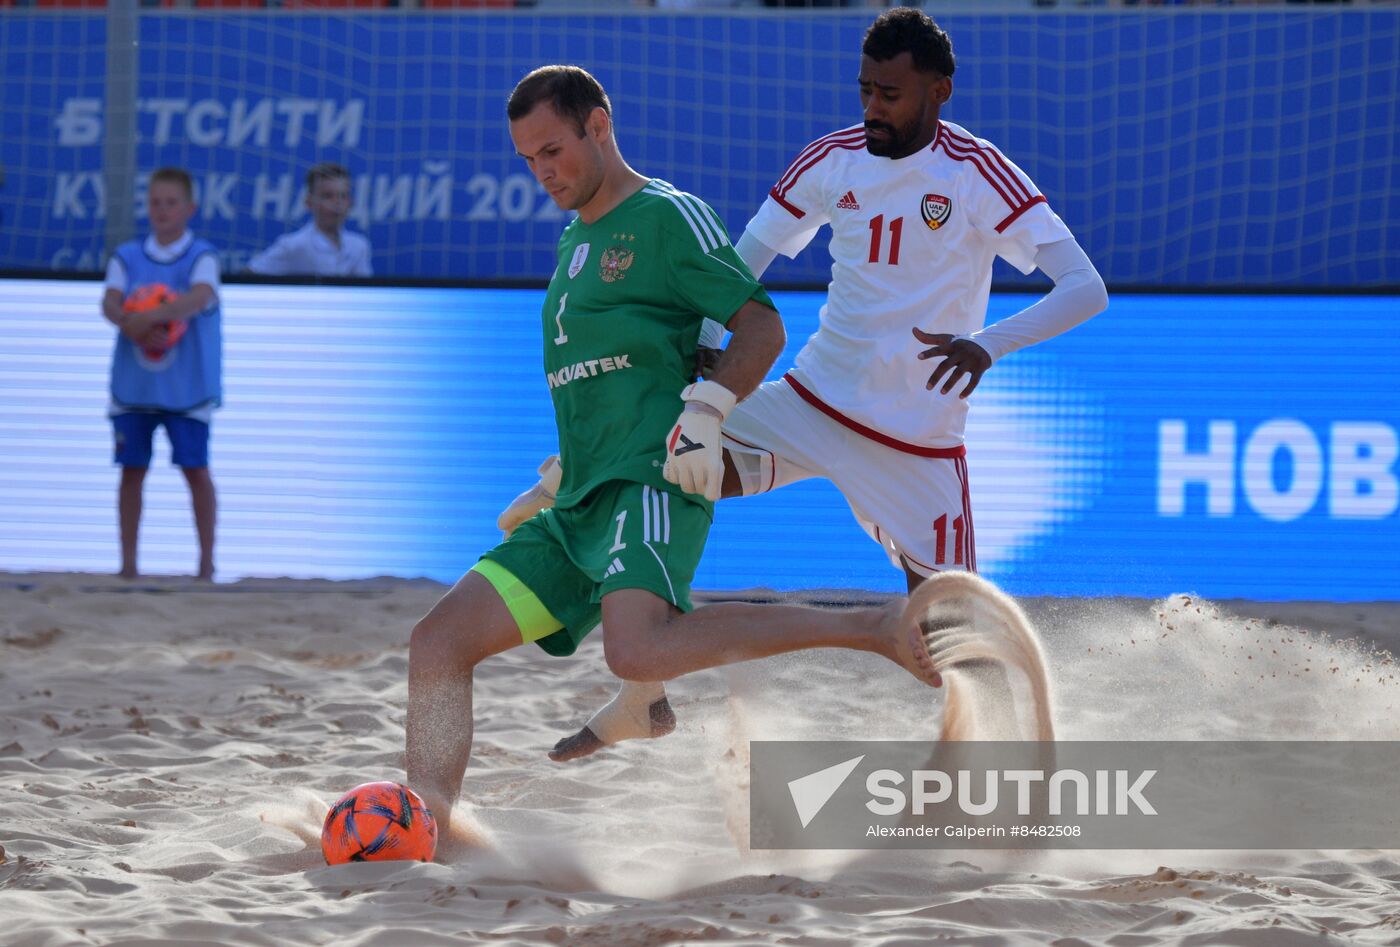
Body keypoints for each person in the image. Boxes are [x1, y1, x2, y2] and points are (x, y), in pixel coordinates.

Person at [508, 7, 1107, 761]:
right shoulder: (831, 161)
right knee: (661, 468)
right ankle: (641, 689)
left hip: (917, 446)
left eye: (890, 94)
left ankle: (990, 782)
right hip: (811, 403)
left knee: (954, 642)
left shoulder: (978, 173)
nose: (872, 109)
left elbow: (1085, 288)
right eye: (864, 90)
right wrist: (701, 356)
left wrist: (987, 346)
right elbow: (744, 259)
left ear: (938, 90)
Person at [404, 64, 970, 840]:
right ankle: (425, 823)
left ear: (598, 125)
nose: (542, 172)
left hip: (651, 478)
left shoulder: (669, 217)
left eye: (553, 149)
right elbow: (600, 377)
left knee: (635, 649)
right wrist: (562, 471)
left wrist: (707, 409)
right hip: (581, 502)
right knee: (437, 642)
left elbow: (761, 327)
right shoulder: (575, 238)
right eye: (527, 159)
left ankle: (871, 624)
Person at [100, 167, 223, 581]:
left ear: (190, 208)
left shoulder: (202, 256)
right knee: (132, 471)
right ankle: (128, 566)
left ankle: (206, 566)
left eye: (171, 203)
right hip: (135, 388)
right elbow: (110, 303)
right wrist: (127, 321)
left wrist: (148, 317)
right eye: (155, 202)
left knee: (195, 470)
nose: (162, 210)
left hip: (185, 388)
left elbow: (201, 297)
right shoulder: (128, 255)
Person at [247, 163, 372, 277]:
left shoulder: (359, 245)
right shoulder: (293, 245)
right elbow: (249, 274)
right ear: (309, 202)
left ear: (350, 202)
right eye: (327, 196)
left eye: (343, 196)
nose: (337, 203)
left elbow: (366, 291)